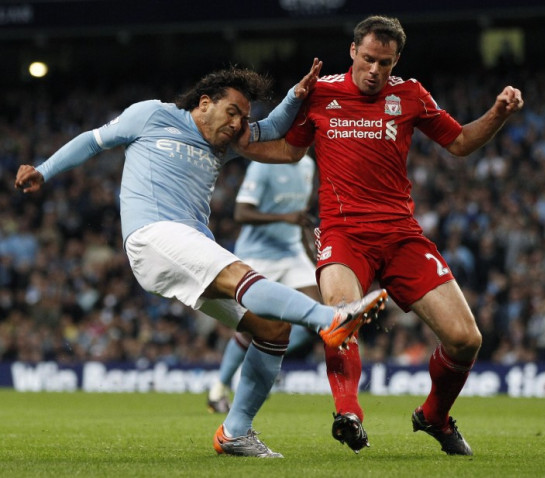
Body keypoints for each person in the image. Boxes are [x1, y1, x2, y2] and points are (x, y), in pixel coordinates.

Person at [14, 60, 388, 458]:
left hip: (187, 243)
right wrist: (44, 170)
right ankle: (328, 319)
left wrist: (297, 94)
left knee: (273, 331)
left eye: (244, 117)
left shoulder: (225, 143)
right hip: (151, 235)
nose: (238, 124)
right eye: (232, 112)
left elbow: (274, 129)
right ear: (205, 102)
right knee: (242, 275)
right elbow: (92, 141)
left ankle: (235, 432)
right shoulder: (151, 114)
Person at [240, 15, 523, 456]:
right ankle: (347, 413)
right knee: (340, 315)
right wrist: (234, 141)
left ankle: (433, 416)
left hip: (401, 235)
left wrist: (499, 113)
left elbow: (461, 143)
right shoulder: (322, 92)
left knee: (466, 340)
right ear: (353, 51)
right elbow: (290, 150)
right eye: (368, 59)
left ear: (396, 63)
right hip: (343, 233)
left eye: (385, 63)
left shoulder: (411, 95)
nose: (375, 70)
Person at [207, 153, 320, 414]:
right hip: (259, 257)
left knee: (318, 317)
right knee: (252, 329)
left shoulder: (307, 165)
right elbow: (241, 212)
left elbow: (300, 217)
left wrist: (311, 256)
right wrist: (285, 218)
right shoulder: (263, 166)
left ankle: (263, 364)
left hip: (292, 254)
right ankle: (219, 388)